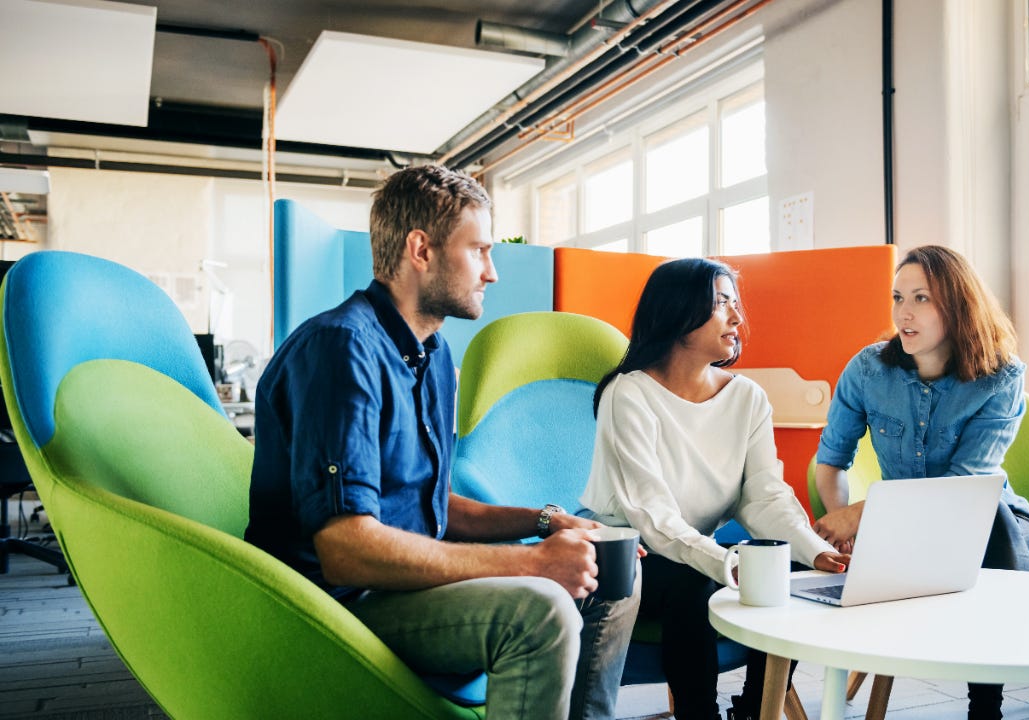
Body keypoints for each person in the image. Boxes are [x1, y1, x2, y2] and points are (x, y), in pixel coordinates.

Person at [245, 165, 639, 720]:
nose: (493, 273)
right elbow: (345, 550)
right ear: (420, 250)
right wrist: (529, 566)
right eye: (479, 250)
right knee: (543, 607)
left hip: (400, 589)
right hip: (335, 605)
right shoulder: (342, 349)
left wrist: (548, 523)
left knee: (609, 570)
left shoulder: (432, 356)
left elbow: (430, 507)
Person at [811, 244, 1029, 720]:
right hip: (906, 533)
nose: (904, 312)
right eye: (898, 297)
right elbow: (831, 463)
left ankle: (989, 706)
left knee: (994, 522)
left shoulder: (1001, 375)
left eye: (921, 298)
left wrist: (862, 513)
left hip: (989, 521)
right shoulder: (867, 369)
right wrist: (853, 535)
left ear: (959, 305)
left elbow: (965, 485)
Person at [581, 257, 850, 720]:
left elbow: (765, 495)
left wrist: (812, 551)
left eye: (735, 303)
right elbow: (652, 516)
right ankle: (698, 713)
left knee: (785, 568)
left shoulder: (747, 397)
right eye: (721, 303)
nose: (737, 317)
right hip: (629, 555)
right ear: (678, 313)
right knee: (694, 581)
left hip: (694, 550)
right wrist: (725, 561)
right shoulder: (628, 394)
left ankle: (755, 708)